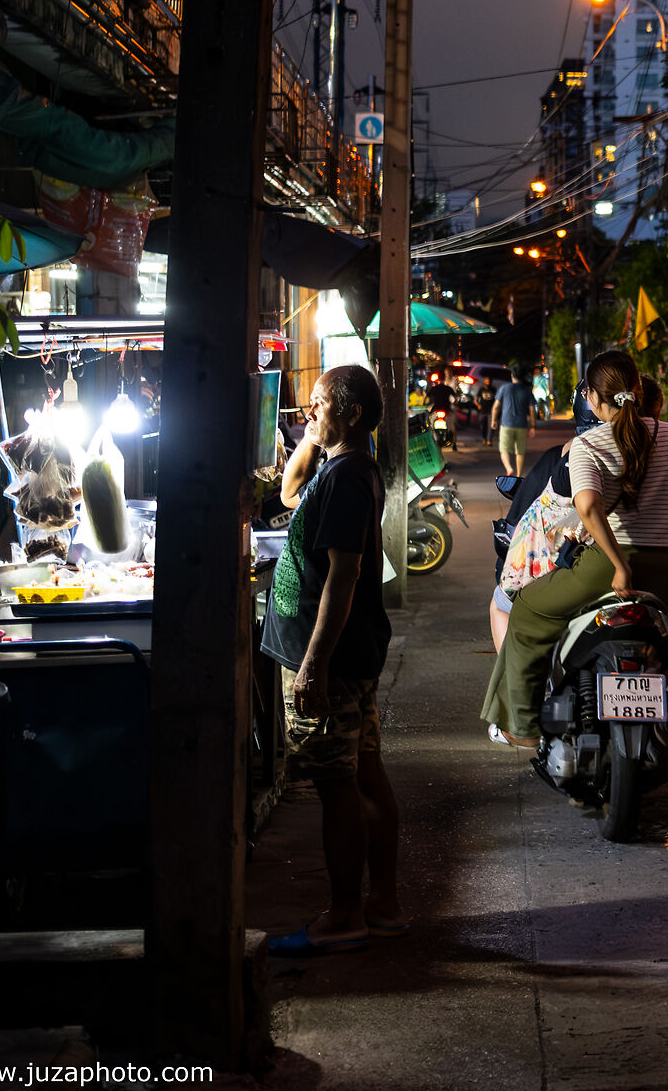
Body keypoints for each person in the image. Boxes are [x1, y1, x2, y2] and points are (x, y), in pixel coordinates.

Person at [480, 349, 668, 745]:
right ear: (637, 390)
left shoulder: (588, 443)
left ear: (593, 399)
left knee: (527, 613)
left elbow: (587, 505)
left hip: (606, 566)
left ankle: (522, 726)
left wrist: (619, 565)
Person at [263, 364, 404, 955]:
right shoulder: (341, 466)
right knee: (364, 774)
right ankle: (384, 905)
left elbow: (344, 578)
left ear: (349, 413)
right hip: (347, 656)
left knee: (337, 784)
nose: (308, 412)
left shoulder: (348, 477)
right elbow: (291, 492)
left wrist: (314, 664)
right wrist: (310, 438)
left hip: (333, 660)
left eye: (318, 404)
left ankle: (345, 914)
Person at [489, 367, 534, 476]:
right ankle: (519, 475)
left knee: (504, 449)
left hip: (506, 424)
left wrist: (493, 420)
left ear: (512, 375)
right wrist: (532, 426)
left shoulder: (505, 388)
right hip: (521, 425)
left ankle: (509, 469)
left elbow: (496, 407)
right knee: (520, 452)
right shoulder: (527, 390)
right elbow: (532, 409)